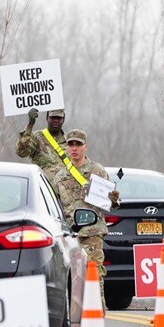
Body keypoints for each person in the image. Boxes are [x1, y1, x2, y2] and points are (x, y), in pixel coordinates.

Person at [52, 129, 120, 308]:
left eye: (78, 144)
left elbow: (110, 204)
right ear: (66, 147)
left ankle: (96, 312)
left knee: (94, 274)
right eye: (71, 144)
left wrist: (113, 200)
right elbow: (55, 208)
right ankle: (74, 315)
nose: (74, 148)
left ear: (85, 147)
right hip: (69, 235)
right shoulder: (59, 177)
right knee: (71, 278)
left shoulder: (97, 171)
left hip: (92, 233)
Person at [15, 108, 68, 184]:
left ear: (63, 120)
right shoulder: (37, 137)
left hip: (65, 189)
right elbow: (22, 152)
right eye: (53, 118)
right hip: (42, 187)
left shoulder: (71, 141)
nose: (55, 121)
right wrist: (30, 124)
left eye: (59, 118)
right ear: (47, 118)